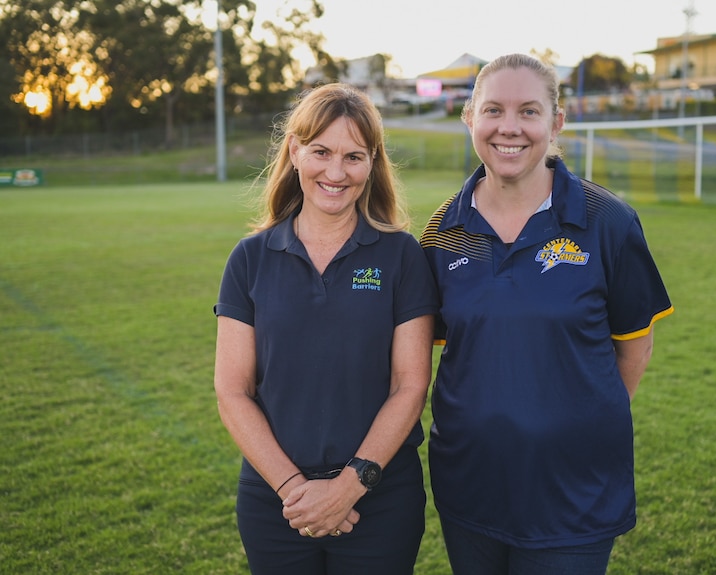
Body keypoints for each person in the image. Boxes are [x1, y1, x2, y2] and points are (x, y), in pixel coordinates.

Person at [420, 53, 674, 575]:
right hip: (470, 486)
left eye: (528, 112)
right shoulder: (442, 229)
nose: (508, 128)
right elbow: (449, 351)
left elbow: (634, 345)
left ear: (556, 123)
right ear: (470, 116)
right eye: (493, 110)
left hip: (573, 494)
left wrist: (571, 422)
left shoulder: (609, 221)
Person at [213, 83, 437, 575]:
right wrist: (297, 492)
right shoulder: (250, 259)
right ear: (294, 151)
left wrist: (348, 488)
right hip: (276, 502)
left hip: (379, 500)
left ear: (372, 163)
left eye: (354, 157)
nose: (336, 173)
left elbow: (410, 384)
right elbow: (232, 389)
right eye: (321, 152)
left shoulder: (401, 255)